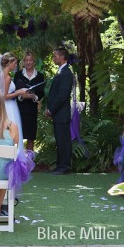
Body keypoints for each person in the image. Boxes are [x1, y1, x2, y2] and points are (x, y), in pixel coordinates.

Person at [0, 53, 29, 151]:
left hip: (4, 106)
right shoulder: (6, 77)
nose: (16, 65)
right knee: (12, 130)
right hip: (8, 106)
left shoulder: (0, 75)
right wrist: (18, 92)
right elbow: (4, 96)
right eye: (15, 63)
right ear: (9, 63)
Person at [45, 47, 74, 175]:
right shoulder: (61, 72)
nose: (53, 58)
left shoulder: (66, 73)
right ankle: (60, 165)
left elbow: (62, 95)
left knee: (64, 140)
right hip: (58, 114)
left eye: (55, 56)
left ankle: (65, 166)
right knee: (60, 139)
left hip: (62, 113)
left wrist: (51, 110)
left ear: (62, 57)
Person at [14, 52, 46, 152]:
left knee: (31, 136)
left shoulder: (40, 76)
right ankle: (18, 159)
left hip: (32, 109)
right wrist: (22, 96)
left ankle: (29, 161)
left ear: (34, 62)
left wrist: (34, 96)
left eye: (30, 60)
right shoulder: (18, 74)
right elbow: (14, 90)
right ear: (24, 62)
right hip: (20, 108)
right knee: (18, 135)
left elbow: (41, 92)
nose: (28, 62)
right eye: (26, 60)